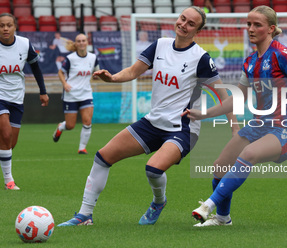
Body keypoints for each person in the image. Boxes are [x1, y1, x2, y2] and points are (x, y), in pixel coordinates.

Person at [57, 6, 239, 226]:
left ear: (197, 31)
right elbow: (134, 71)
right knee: (103, 157)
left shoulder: (200, 58)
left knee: (153, 169)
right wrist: (112, 78)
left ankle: (158, 202)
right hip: (153, 122)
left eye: (191, 23)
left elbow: (224, 95)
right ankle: (84, 216)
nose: (184, 24)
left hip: (182, 128)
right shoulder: (160, 45)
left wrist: (235, 130)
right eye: (182, 19)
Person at [182, 5, 287, 226]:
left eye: (257, 25)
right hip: (259, 126)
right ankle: (223, 219)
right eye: (248, 24)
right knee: (219, 167)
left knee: (248, 153)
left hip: (286, 128)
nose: (250, 29)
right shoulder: (251, 61)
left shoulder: (282, 55)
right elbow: (236, 99)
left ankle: (207, 206)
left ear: (271, 29)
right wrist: (203, 114)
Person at [0, 13, 49, 190]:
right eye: (1, 25)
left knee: (10, 143)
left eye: (8, 25)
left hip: (17, 97)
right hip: (0, 98)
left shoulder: (25, 44)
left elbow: (36, 68)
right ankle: (9, 181)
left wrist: (43, 91)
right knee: (5, 135)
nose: (5, 28)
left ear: (15, 27)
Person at [52, 34, 99, 154]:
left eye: (83, 40)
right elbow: (60, 72)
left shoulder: (93, 57)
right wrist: (65, 84)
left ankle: (82, 148)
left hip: (86, 94)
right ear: (76, 44)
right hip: (71, 94)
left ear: (87, 42)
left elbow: (96, 71)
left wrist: (99, 75)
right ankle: (61, 127)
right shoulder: (70, 58)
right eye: (79, 41)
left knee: (87, 122)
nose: (81, 43)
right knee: (70, 125)